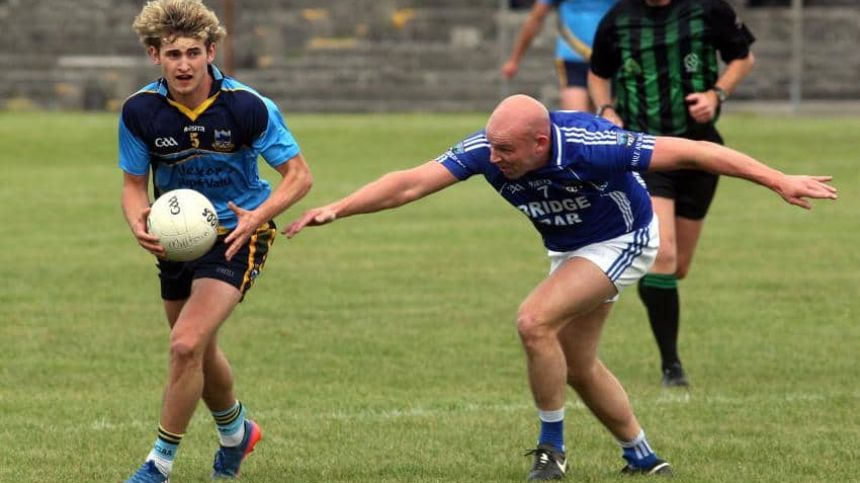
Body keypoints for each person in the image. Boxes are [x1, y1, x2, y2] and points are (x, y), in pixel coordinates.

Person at [285, 94, 835, 480]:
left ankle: (552, 449)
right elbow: (409, 183)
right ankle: (641, 456)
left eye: (505, 152)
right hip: (572, 249)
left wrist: (778, 179)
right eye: (491, 149)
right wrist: (338, 208)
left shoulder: (592, 145)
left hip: (626, 238)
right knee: (576, 363)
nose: (493, 160)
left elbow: (695, 152)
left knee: (533, 320)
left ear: (540, 140)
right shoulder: (490, 147)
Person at [118, 1, 312, 481]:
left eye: (192, 53)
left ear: (210, 51)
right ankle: (236, 433)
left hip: (236, 235)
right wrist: (135, 222)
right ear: (154, 56)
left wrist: (258, 217)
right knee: (197, 349)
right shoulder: (141, 110)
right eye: (172, 54)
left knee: (185, 344)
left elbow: (299, 177)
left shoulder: (247, 106)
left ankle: (157, 465)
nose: (183, 64)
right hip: (176, 238)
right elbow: (132, 186)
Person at [588, 0, 757, 387]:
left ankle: (649, 283)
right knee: (663, 256)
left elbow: (744, 58)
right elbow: (598, 73)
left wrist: (717, 94)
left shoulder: (706, 9)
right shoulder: (619, 18)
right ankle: (672, 367)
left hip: (701, 153)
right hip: (646, 152)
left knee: (676, 266)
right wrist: (607, 108)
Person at [502, 0, 617, 111]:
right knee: (576, 118)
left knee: (605, 120)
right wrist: (514, 59)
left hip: (609, 59)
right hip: (574, 58)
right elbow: (536, 17)